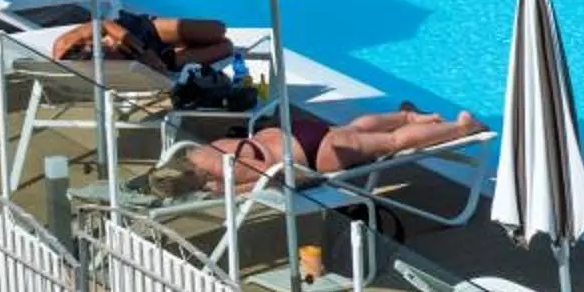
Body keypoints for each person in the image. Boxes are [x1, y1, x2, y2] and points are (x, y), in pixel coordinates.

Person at [186, 105, 485, 188]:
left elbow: (271, 178)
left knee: (390, 142)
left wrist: (235, 189)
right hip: (294, 131)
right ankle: (409, 115)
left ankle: (461, 128)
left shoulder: (224, 176)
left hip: (315, 153)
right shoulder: (198, 151)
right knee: (355, 128)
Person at [52, 9, 240, 75]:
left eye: (92, 45)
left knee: (218, 29)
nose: (94, 45)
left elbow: (104, 24)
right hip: (156, 61)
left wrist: (137, 47)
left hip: (139, 33)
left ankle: (181, 40)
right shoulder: (94, 72)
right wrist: (151, 63)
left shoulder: (64, 43)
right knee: (226, 47)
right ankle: (181, 45)